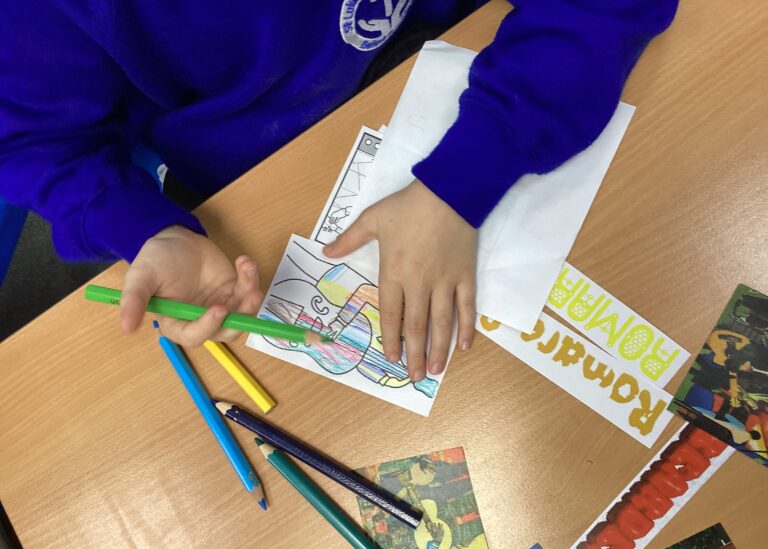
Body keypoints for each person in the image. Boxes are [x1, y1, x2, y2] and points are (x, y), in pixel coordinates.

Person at [0, 1, 678, 383]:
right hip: (251, 171)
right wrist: (145, 226)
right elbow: (37, 143)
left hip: (474, 56)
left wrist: (468, 174)